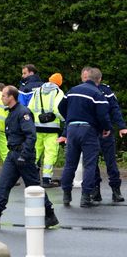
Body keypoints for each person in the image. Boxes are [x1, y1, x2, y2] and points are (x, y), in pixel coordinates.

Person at [0, 86, 59, 229]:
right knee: (3, 184)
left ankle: (50, 215)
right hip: (12, 154)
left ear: (11, 97)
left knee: (34, 187)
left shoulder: (23, 113)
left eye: (3, 95)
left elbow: (31, 135)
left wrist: (24, 155)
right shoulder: (10, 113)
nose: (1, 98)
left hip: (24, 156)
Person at [58, 67, 112, 207]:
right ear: (98, 80)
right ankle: (85, 196)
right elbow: (103, 115)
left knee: (70, 164)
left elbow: (60, 107)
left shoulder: (72, 90)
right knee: (89, 164)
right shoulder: (97, 94)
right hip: (88, 130)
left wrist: (70, 118)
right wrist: (106, 128)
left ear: (87, 78)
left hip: (72, 129)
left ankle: (66, 194)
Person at [82, 68, 127, 203]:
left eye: (87, 77)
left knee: (111, 162)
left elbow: (114, 109)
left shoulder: (105, 91)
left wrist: (122, 126)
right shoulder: (80, 90)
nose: (86, 80)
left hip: (105, 131)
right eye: (83, 77)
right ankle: (95, 190)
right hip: (90, 131)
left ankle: (115, 190)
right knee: (91, 163)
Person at [27, 73, 64, 187]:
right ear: (59, 83)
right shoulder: (58, 92)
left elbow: (30, 108)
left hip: (37, 127)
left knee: (35, 152)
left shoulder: (37, 91)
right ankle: (47, 179)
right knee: (50, 153)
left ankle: (31, 178)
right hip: (52, 129)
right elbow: (58, 109)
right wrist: (65, 120)